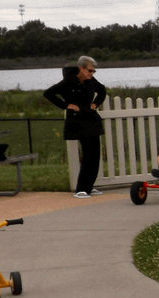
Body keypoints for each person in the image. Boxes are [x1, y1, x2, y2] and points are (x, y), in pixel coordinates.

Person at [44, 55, 106, 199]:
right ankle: (81, 189)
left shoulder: (91, 81)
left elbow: (102, 91)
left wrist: (95, 103)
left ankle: (89, 187)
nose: (92, 74)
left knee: (95, 154)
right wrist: (66, 105)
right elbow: (48, 93)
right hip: (78, 121)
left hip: (91, 118)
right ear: (81, 68)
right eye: (90, 71)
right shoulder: (68, 82)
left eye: (93, 71)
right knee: (88, 153)